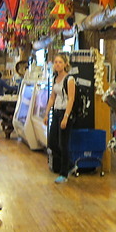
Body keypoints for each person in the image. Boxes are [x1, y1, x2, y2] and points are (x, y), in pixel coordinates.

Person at [44, 53, 76, 184]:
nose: (57, 64)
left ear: (65, 64)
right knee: (52, 142)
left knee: (63, 144)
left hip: (65, 113)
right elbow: (52, 97)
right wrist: (46, 114)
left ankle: (64, 173)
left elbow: (71, 98)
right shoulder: (55, 78)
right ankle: (69, 165)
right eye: (55, 62)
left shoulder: (70, 79)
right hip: (56, 112)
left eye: (60, 62)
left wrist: (66, 117)